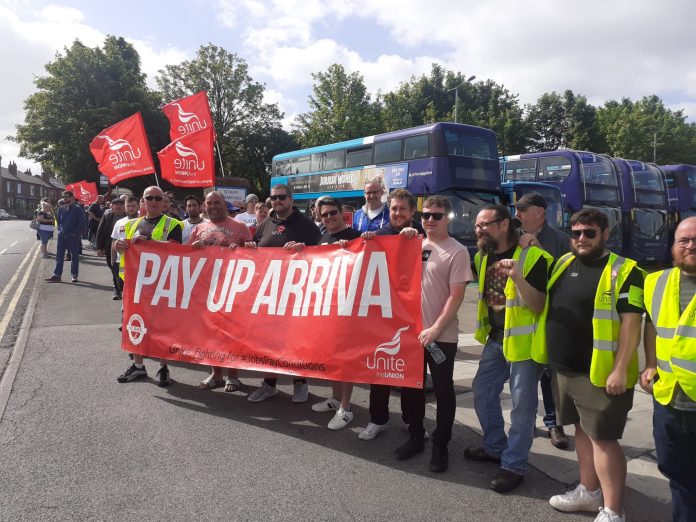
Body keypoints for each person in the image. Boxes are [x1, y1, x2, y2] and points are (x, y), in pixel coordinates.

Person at [536, 209, 644, 522]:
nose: (581, 238)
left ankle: (613, 510)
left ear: (605, 234)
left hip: (599, 373)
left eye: (589, 232)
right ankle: (589, 491)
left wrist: (621, 368)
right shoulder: (564, 262)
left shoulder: (626, 271)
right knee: (581, 431)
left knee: (604, 440)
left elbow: (632, 323)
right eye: (576, 232)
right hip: (564, 369)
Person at [464, 204, 551, 493]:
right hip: (497, 338)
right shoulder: (481, 255)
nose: (478, 230)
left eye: (484, 225)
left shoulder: (534, 256)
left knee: (522, 407)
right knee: (483, 391)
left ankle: (514, 465)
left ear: (503, 224)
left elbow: (538, 304)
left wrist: (517, 277)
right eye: (477, 225)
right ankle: (494, 447)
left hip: (524, 344)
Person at [395, 195, 472, 472]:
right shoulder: (415, 243)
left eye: (436, 215)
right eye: (425, 214)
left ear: (447, 218)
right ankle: (416, 435)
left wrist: (436, 329)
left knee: (442, 390)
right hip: (412, 334)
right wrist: (403, 234)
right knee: (411, 388)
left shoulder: (457, 251)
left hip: (441, 336)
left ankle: (441, 443)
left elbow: (456, 296)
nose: (429, 220)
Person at [358, 188, 425, 441]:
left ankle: (413, 421)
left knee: (411, 371)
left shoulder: (423, 233)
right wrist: (362, 241)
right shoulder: (380, 235)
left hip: (413, 315)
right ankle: (378, 419)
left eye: (402, 209)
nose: (397, 213)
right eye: (394, 209)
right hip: (383, 314)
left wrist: (417, 236)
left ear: (412, 211)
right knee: (380, 369)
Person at [641, 216, 696, 522]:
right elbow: (651, 325)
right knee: (679, 478)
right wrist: (649, 364)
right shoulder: (656, 281)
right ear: (673, 246)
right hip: (670, 400)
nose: (690, 246)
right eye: (683, 240)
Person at [245, 184, 321, 403]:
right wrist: (250, 247)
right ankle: (269, 384)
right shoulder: (265, 224)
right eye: (274, 198)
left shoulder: (307, 225)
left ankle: (300, 382)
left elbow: (323, 255)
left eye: (282, 197)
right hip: (268, 294)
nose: (278, 201)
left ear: (291, 199)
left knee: (296, 341)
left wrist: (303, 251)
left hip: (297, 294)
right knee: (268, 341)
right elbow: (257, 250)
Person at [515, 192, 572, 450]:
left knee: (550, 375)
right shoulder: (513, 237)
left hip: (549, 318)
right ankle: (525, 423)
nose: (517, 215)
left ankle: (554, 423)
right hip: (521, 322)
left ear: (540, 211)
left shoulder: (560, 240)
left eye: (523, 210)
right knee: (523, 380)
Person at [114, 186, 183, 387]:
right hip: (135, 285)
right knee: (134, 324)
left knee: (161, 328)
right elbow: (120, 248)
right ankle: (138, 366)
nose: (153, 201)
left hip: (162, 286)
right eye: (149, 198)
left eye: (157, 198)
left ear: (163, 202)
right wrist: (118, 246)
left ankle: (163, 368)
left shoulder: (173, 224)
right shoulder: (131, 225)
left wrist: (150, 241)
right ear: (143, 201)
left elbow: (177, 251)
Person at [189, 191, 253, 393]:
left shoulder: (240, 226)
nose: (213, 206)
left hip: (233, 290)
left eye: (217, 202)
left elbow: (254, 255)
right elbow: (185, 256)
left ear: (225, 205)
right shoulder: (199, 227)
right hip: (206, 290)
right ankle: (216, 375)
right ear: (204, 206)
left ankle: (233, 377)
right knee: (211, 335)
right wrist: (194, 247)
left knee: (232, 336)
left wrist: (245, 248)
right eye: (209, 203)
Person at [308, 198, 362, 429]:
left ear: (342, 213)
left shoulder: (356, 236)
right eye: (324, 215)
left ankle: (346, 407)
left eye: (332, 213)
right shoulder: (323, 237)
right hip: (326, 307)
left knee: (345, 359)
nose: (328, 217)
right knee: (331, 356)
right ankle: (335, 398)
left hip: (348, 307)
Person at [45, 191, 85, 283]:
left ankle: (74, 275)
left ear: (72, 198)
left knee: (74, 256)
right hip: (62, 236)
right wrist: (59, 230)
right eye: (64, 197)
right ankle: (57, 275)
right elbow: (58, 222)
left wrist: (75, 233)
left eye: (67, 197)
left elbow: (82, 223)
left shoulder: (78, 209)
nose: (65, 199)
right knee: (59, 256)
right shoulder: (61, 209)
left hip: (73, 236)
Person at [110, 196, 140, 302]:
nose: (131, 208)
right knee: (125, 292)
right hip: (122, 263)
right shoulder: (119, 223)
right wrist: (113, 262)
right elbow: (114, 241)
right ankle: (125, 313)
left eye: (133, 206)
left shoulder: (144, 221)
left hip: (139, 264)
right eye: (128, 206)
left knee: (137, 293)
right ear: (124, 207)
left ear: (138, 206)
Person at [95, 198, 126, 299]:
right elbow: (100, 232)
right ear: (112, 206)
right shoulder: (107, 216)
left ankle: (119, 290)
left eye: (121, 204)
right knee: (114, 269)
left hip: (125, 250)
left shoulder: (129, 217)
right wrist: (99, 247)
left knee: (121, 271)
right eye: (116, 204)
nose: (118, 206)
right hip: (110, 248)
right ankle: (117, 288)